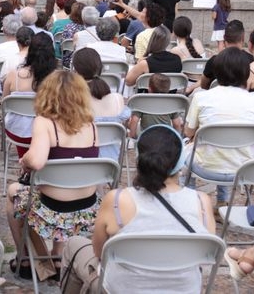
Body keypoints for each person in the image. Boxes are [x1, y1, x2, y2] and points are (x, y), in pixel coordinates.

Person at [63, 125, 215, 293]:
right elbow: (205, 258)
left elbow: (99, 252)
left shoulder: (117, 200)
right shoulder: (202, 202)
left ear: (140, 159)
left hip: (120, 289)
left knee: (73, 244)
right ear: (180, 162)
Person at [5, 71, 99, 281]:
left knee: (14, 192)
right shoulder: (91, 125)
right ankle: (57, 257)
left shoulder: (45, 122)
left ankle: (27, 260)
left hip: (52, 207)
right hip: (86, 207)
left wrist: (25, 160)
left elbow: (36, 161)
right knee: (57, 188)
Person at [184, 47, 254, 208]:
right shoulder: (253, 100)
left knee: (185, 151)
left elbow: (188, 132)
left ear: (217, 71)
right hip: (243, 169)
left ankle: (191, 205)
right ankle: (222, 202)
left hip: (205, 167)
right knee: (229, 147)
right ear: (245, 73)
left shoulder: (201, 98)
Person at [2, 32, 58, 156]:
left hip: (18, 132)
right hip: (50, 134)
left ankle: (27, 165)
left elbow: (4, 103)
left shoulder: (13, 75)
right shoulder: (59, 79)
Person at [72, 48, 131, 161]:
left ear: (76, 71)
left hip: (76, 165)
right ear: (100, 69)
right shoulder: (117, 100)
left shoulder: (69, 101)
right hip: (108, 167)